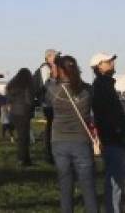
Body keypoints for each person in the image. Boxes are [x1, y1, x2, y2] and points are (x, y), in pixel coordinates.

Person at [47, 55, 98, 213]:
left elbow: (47, 86)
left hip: (59, 141)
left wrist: (52, 66)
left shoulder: (54, 91)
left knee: (65, 187)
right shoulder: (87, 90)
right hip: (81, 141)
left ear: (60, 71)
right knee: (88, 188)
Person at [91, 53, 125, 213]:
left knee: (116, 180)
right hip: (113, 138)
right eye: (108, 61)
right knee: (115, 181)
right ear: (99, 66)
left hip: (113, 137)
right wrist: (119, 132)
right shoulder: (102, 85)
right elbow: (107, 114)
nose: (112, 63)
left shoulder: (105, 84)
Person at [6, 67, 35, 166]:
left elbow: (9, 100)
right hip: (23, 112)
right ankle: (23, 159)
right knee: (24, 138)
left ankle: (24, 159)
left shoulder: (11, 85)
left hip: (14, 113)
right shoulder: (26, 85)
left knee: (21, 137)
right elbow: (29, 100)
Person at [34, 49, 58, 164]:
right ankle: (49, 155)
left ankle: (51, 154)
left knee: (51, 128)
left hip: (50, 102)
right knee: (50, 129)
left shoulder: (50, 67)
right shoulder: (45, 68)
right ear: (48, 57)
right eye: (55, 55)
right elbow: (46, 85)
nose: (57, 57)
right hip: (48, 103)